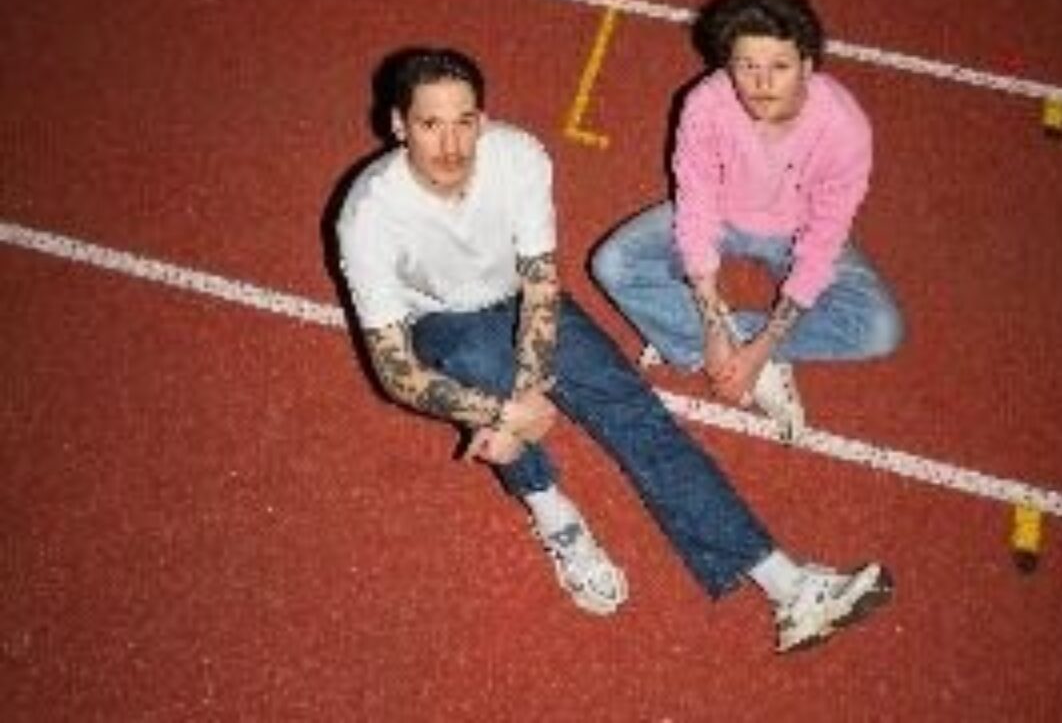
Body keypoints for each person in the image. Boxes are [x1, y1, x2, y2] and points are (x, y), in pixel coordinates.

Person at [335, 46, 893, 652]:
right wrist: (504, 412)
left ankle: (787, 587)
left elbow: (541, 286)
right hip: (439, 321)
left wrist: (526, 395)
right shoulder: (369, 215)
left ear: (483, 120)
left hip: (519, 297)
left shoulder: (519, 158)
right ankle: (554, 513)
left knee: (637, 413)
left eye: (464, 122)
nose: (451, 145)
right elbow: (393, 368)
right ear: (398, 125)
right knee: (479, 365)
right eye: (429, 124)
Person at [591, 0, 904, 442]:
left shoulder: (844, 128)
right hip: (723, 216)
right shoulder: (706, 103)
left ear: (808, 66)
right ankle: (704, 343)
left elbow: (823, 241)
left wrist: (764, 345)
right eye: (747, 66)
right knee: (613, 262)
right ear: (728, 65)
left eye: (779, 67)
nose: (761, 84)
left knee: (881, 328)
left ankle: (690, 338)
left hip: (798, 232)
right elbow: (696, 205)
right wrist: (712, 325)